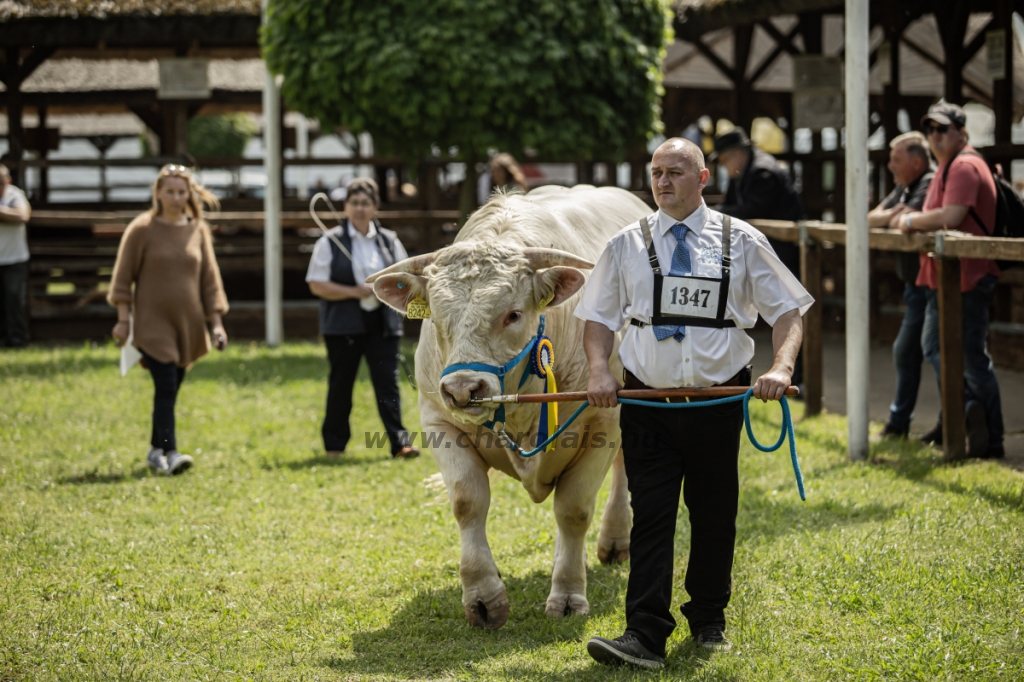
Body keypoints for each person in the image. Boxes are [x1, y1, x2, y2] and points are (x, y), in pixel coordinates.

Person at [577, 138, 813, 668]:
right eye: (656, 172)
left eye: (675, 172)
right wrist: (598, 369)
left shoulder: (742, 239)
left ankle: (708, 619)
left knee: (713, 514)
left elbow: (789, 311)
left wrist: (781, 367)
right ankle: (644, 634)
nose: (663, 182)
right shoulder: (625, 244)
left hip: (715, 402)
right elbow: (597, 317)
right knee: (652, 515)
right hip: (648, 403)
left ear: (704, 178)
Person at [898, 102, 1004, 459]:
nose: (935, 136)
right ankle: (958, 419)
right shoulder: (948, 165)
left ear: (961, 132)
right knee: (938, 349)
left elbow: (953, 216)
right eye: (930, 130)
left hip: (967, 279)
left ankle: (990, 437)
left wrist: (911, 221)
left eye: (943, 130)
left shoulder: (964, 165)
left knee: (970, 357)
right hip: (947, 279)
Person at [108, 164, 229, 475]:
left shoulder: (197, 230)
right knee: (165, 386)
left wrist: (216, 324)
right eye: (170, 191)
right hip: (152, 325)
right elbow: (123, 280)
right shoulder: (141, 229)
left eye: (182, 191)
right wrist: (123, 320)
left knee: (171, 390)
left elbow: (209, 281)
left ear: (189, 194)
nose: (176, 197)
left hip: (186, 327)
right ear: (158, 193)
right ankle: (171, 452)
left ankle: (154, 449)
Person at [305, 177, 419, 460]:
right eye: (354, 203)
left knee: (387, 384)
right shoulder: (329, 241)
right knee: (341, 384)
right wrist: (354, 291)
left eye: (365, 203)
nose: (359, 208)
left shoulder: (389, 241)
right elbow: (316, 283)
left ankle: (399, 443)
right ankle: (334, 445)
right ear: (345, 207)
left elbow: (407, 279)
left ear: (375, 207)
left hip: (382, 324)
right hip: (344, 325)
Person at [712, 127, 806, 388]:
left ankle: (797, 375)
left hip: (783, 250)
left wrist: (711, 213)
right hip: (764, 250)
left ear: (738, 154)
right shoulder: (742, 172)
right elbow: (732, 207)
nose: (722, 166)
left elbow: (751, 211)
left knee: (790, 309)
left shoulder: (763, 172)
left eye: (723, 159)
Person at [866, 132, 935, 438]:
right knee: (911, 351)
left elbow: (909, 220)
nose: (890, 165)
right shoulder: (904, 187)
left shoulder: (928, 182)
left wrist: (896, 217)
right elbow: (869, 218)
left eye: (896, 160)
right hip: (916, 285)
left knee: (930, 352)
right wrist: (896, 214)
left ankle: (942, 424)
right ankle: (901, 423)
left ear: (916, 161)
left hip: (931, 284)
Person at [0, 163, 32, 348]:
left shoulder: (14, 195)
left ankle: (17, 340)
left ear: (8, 181)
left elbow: (23, 215)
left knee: (14, 300)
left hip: (14, 258)